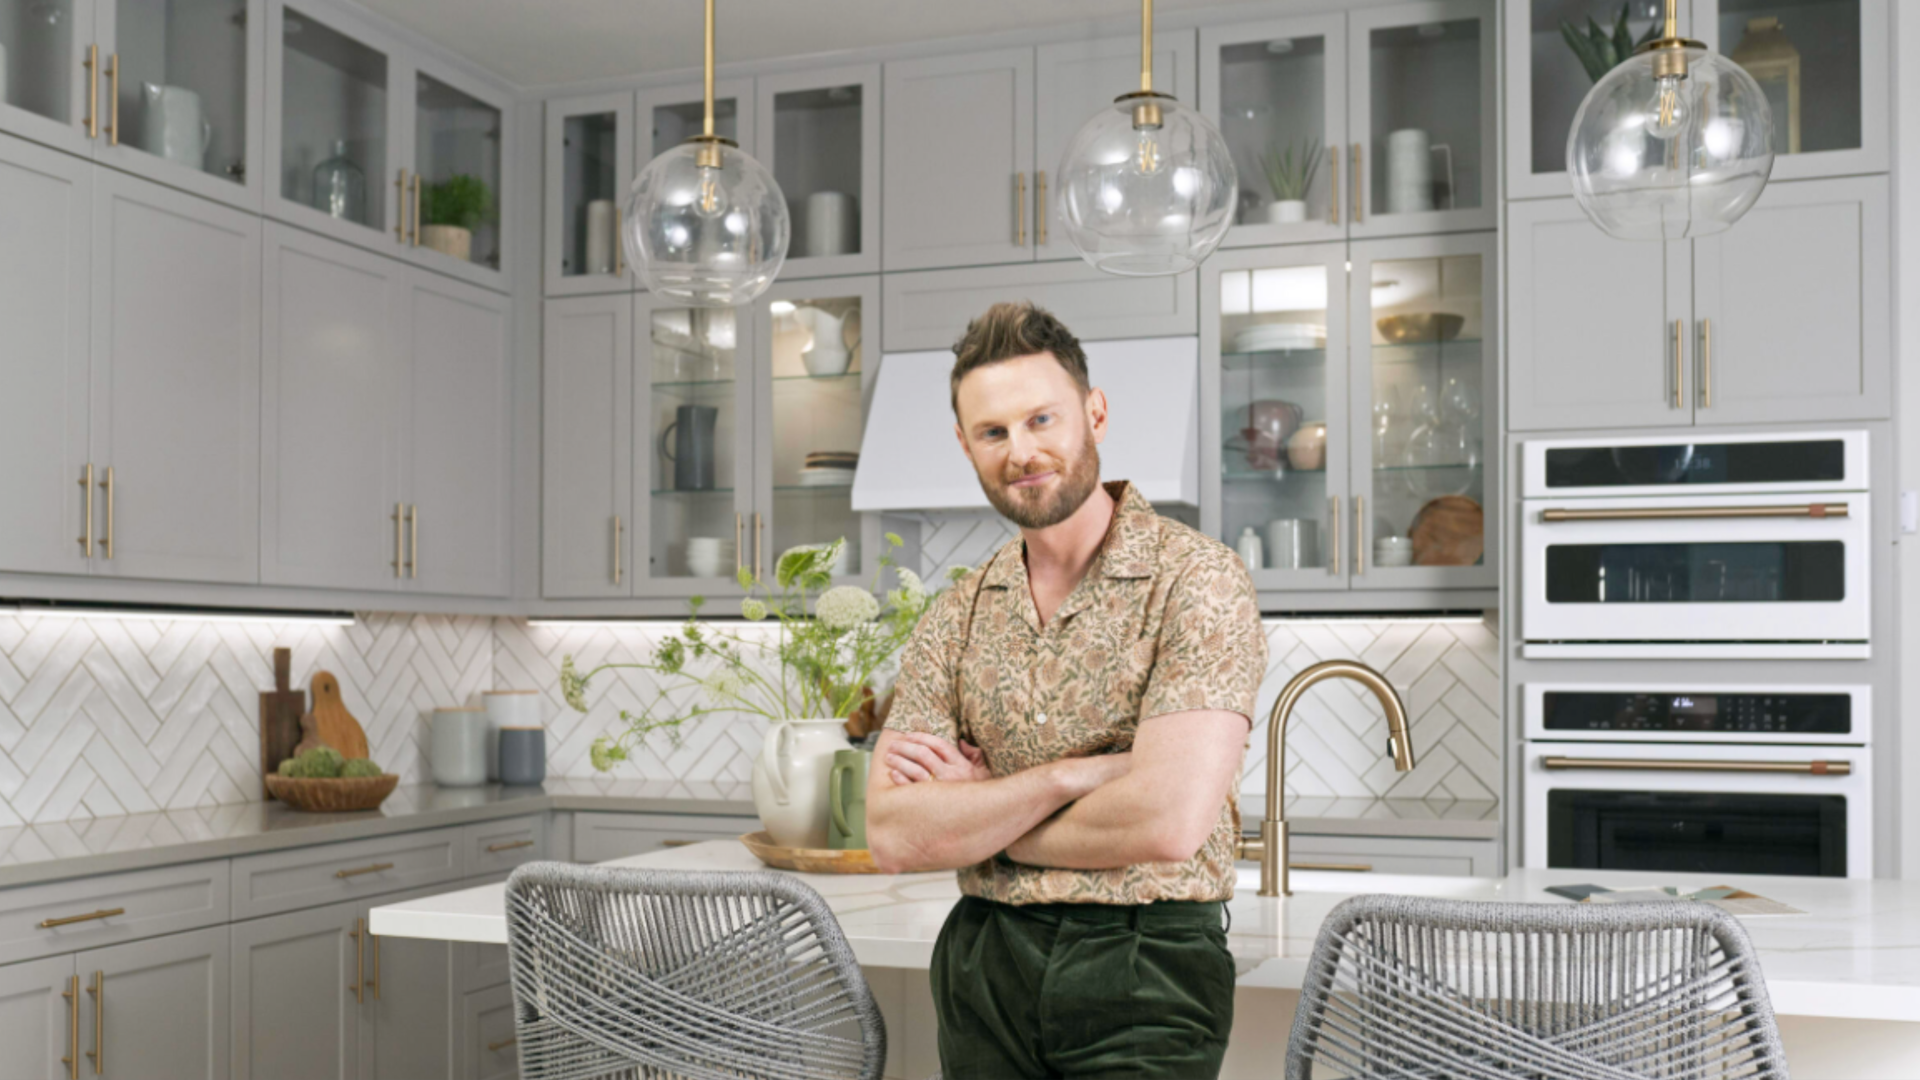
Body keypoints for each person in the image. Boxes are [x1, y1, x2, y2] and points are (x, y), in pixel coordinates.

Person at [865, 301, 1267, 1079]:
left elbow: (1168, 820)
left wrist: (979, 820)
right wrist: (1073, 776)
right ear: (965, 444)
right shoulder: (956, 613)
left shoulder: (1198, 579)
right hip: (983, 959)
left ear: (1095, 413)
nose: (1021, 450)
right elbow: (892, 834)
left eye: (1041, 419)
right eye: (993, 432)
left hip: (1147, 960)